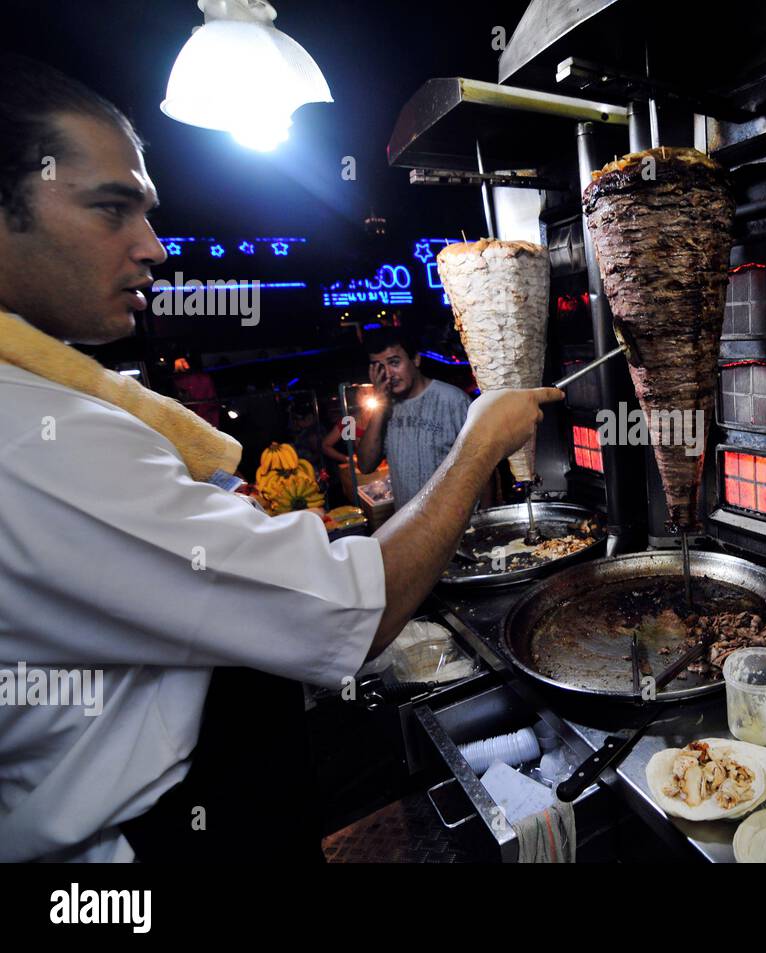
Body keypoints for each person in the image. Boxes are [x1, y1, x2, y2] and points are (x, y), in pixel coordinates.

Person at [0, 55, 563, 862]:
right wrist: (480, 443)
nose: (154, 248)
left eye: (147, 211)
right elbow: (346, 610)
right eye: (110, 208)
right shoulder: (34, 437)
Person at [355, 327, 480, 510]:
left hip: (455, 524)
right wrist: (380, 406)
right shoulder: (383, 408)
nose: (388, 375)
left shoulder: (453, 401)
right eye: (380, 367)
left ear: (416, 359)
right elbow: (365, 465)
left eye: (394, 362)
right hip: (410, 528)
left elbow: (480, 466)